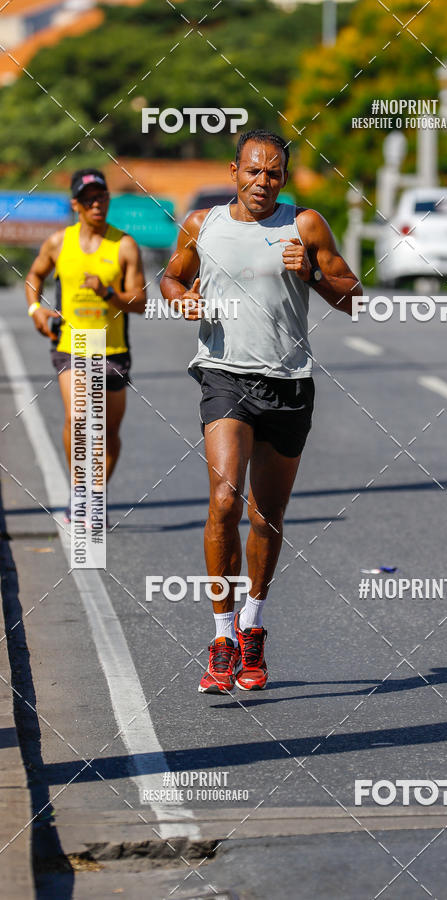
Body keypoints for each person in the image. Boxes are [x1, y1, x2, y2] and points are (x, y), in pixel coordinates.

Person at [160, 129, 362, 694]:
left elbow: (353, 297)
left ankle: (253, 625)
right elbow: (172, 277)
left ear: (283, 178)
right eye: (253, 171)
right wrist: (183, 301)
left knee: (265, 515)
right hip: (225, 376)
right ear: (235, 172)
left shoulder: (306, 225)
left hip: (289, 384)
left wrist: (314, 275)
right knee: (225, 500)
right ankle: (222, 636)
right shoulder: (203, 225)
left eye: (273, 173)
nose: (262, 182)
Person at [25, 168, 147, 523]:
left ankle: (95, 494)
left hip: (112, 350)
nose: (97, 204)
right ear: (75, 204)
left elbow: (140, 302)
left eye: (103, 197)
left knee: (109, 434)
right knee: (79, 418)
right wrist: (35, 308)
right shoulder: (59, 242)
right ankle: (80, 491)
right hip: (71, 343)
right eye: (89, 199)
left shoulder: (123, 245)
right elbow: (35, 274)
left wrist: (108, 293)